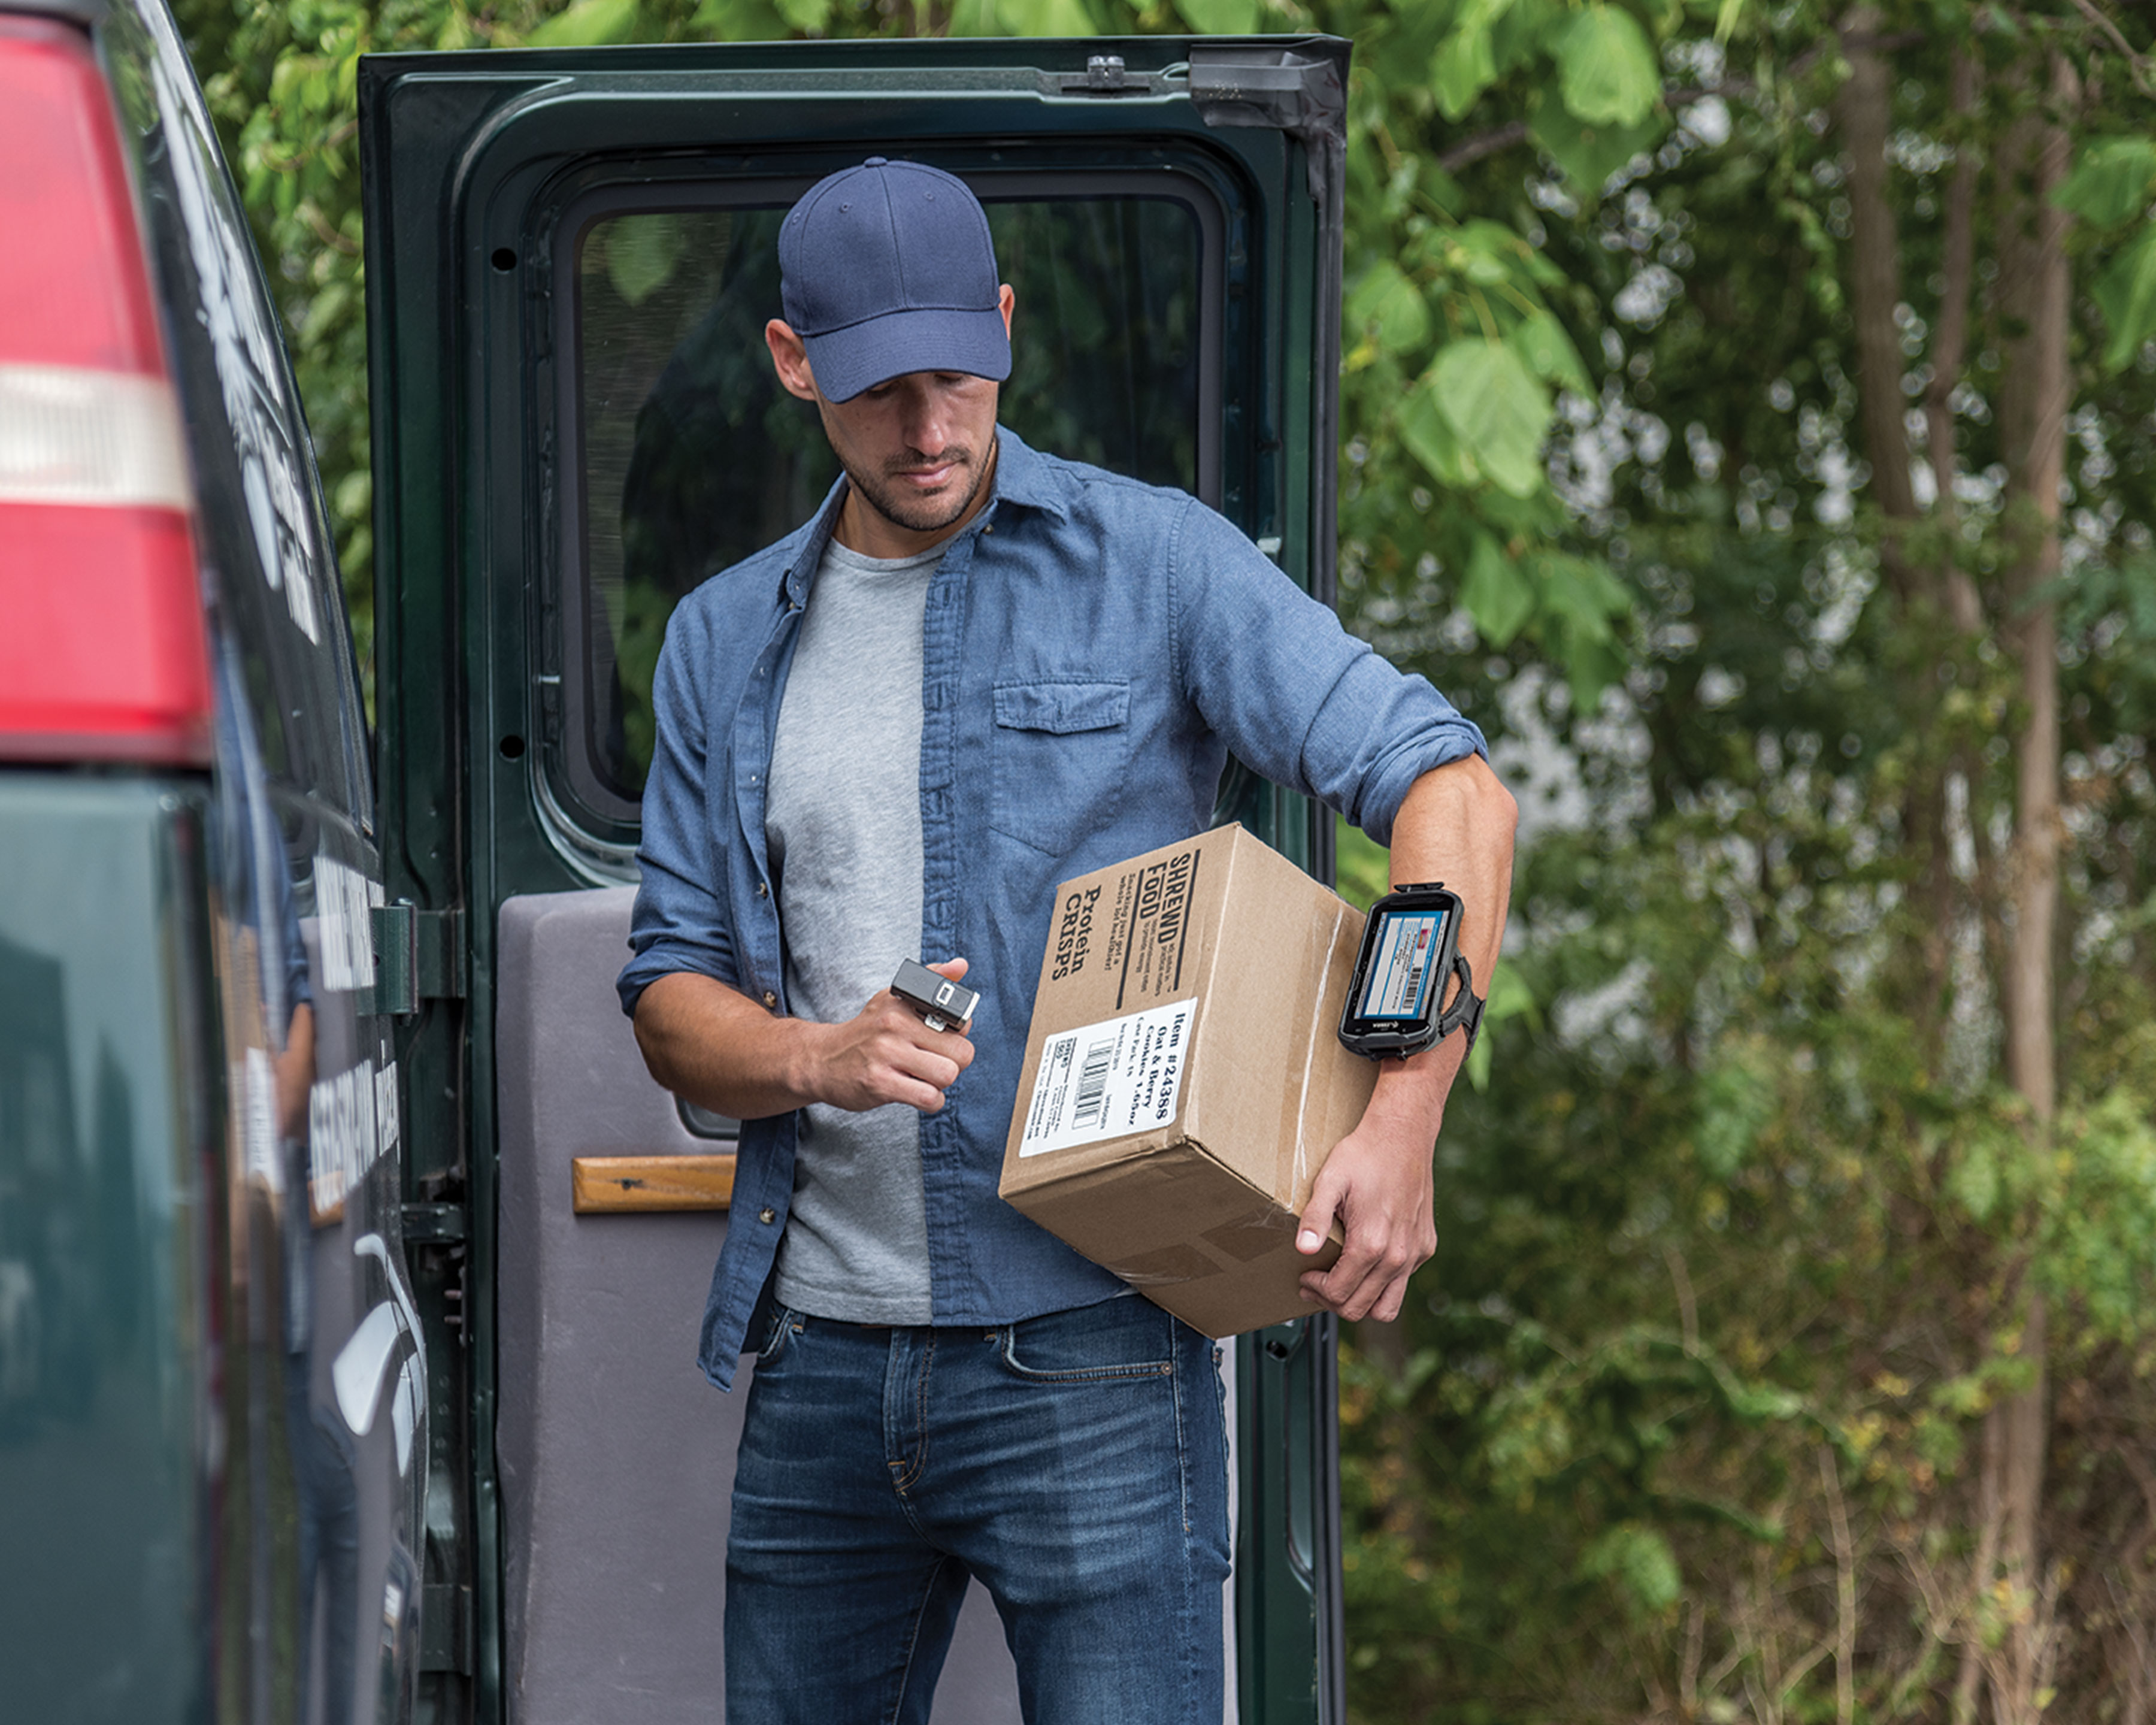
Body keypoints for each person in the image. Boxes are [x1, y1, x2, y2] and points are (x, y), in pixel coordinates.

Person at [618, 156, 1518, 1725]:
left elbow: (1449, 791)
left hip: (1095, 1357)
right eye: (881, 387)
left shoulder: (1155, 564)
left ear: (1009, 329)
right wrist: (817, 1055)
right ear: (792, 365)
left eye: (960, 373)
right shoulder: (720, 640)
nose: (930, 426)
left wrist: (1405, 1113)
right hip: (818, 1369)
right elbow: (669, 1001)